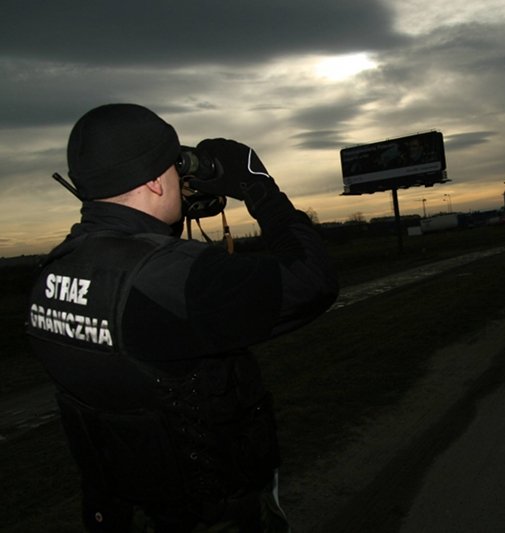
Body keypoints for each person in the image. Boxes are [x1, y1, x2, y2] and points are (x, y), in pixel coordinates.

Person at [26, 103, 339, 532]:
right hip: (211, 515)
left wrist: (166, 217)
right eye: (173, 170)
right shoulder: (178, 279)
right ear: (155, 181)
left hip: (120, 510)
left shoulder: (54, 270)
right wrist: (258, 186)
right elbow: (314, 280)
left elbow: (140, 306)